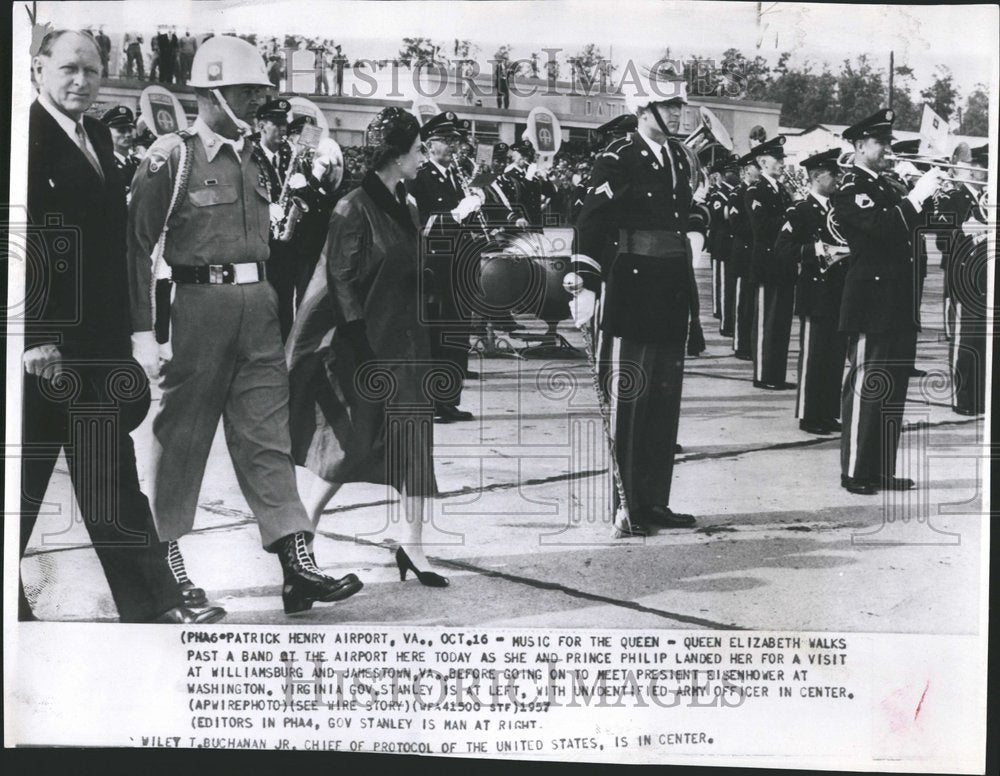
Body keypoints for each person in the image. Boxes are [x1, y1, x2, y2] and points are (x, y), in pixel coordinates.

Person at [126, 35, 363, 615]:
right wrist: (140, 332)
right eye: (246, 89)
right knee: (181, 439)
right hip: (197, 306)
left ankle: (296, 563)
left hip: (258, 306)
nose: (258, 99)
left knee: (266, 437)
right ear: (213, 92)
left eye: (259, 88)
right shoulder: (172, 157)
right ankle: (166, 566)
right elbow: (134, 248)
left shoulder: (260, 155)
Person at [23, 29, 224, 624]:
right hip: (45, 349)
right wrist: (36, 335)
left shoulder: (98, 134)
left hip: (95, 345)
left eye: (91, 69)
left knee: (110, 477)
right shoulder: (22, 136)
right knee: (23, 487)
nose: (82, 80)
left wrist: (137, 334)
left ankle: (155, 604)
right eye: (68, 69)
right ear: (39, 69)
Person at [286, 107, 448, 588]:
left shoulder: (410, 205)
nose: (423, 157)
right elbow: (339, 279)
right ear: (396, 156)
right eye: (418, 149)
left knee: (414, 445)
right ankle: (302, 538)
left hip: (406, 344)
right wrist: (358, 341)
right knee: (347, 448)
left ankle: (414, 546)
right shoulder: (351, 207)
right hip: (365, 346)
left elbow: (403, 266)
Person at [570, 67, 706, 537]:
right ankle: (623, 505)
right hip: (632, 286)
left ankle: (653, 500)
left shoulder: (676, 156)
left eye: (678, 105)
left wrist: (698, 224)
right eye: (669, 106)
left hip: (670, 286)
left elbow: (685, 210)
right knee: (630, 397)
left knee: (664, 398)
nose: (677, 112)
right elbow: (591, 218)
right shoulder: (619, 155)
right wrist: (585, 282)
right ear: (644, 109)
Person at [833, 108, 945, 495]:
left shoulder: (888, 186)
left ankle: (880, 467)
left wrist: (929, 194)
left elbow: (922, 227)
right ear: (860, 145)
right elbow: (881, 229)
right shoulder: (851, 189)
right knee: (867, 386)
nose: (888, 150)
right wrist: (915, 196)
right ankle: (855, 470)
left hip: (898, 300)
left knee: (892, 388)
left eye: (888, 143)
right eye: (881, 143)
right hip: (871, 300)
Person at [408, 111, 484, 422]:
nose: (454, 147)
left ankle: (448, 399)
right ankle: (431, 401)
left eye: (455, 141)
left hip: (459, 267)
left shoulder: (456, 176)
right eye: (448, 140)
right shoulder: (420, 178)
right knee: (436, 335)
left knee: (456, 334)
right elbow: (418, 225)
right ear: (430, 143)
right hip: (435, 269)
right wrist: (454, 215)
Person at [773, 148, 850, 435]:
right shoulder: (801, 210)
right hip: (815, 293)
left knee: (833, 358)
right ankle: (809, 414)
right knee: (814, 358)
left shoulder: (839, 210)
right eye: (834, 174)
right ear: (818, 176)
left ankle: (827, 412)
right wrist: (817, 250)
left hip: (838, 292)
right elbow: (782, 250)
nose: (839, 178)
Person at [938, 144, 988, 416]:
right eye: (975, 163)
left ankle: (981, 396)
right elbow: (941, 241)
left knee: (983, 339)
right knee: (964, 341)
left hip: (985, 277)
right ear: (959, 165)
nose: (980, 170)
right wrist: (964, 231)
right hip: (963, 276)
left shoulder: (988, 198)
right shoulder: (954, 197)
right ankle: (963, 398)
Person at [745, 135, 795, 390]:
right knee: (766, 323)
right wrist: (791, 214)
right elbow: (762, 228)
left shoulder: (782, 191)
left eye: (783, 158)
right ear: (763, 161)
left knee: (781, 324)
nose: (782, 163)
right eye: (778, 158)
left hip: (784, 265)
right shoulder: (756, 190)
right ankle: (763, 374)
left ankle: (776, 375)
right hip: (767, 264)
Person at [729, 151, 759, 360]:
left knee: (754, 301)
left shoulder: (758, 192)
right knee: (744, 301)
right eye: (756, 166)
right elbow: (736, 223)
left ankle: (751, 342)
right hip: (744, 251)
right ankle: (741, 345)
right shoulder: (738, 193)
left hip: (756, 253)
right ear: (748, 169)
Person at [708, 154, 740, 337]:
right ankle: (723, 318)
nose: (734, 174)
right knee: (722, 283)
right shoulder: (718, 194)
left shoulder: (735, 192)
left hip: (732, 243)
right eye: (730, 171)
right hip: (721, 243)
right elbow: (724, 216)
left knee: (731, 284)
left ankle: (728, 317)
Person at [100, 105, 139, 194]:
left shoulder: (138, 162)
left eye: (129, 130)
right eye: (121, 130)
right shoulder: (104, 164)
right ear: (106, 133)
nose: (128, 134)